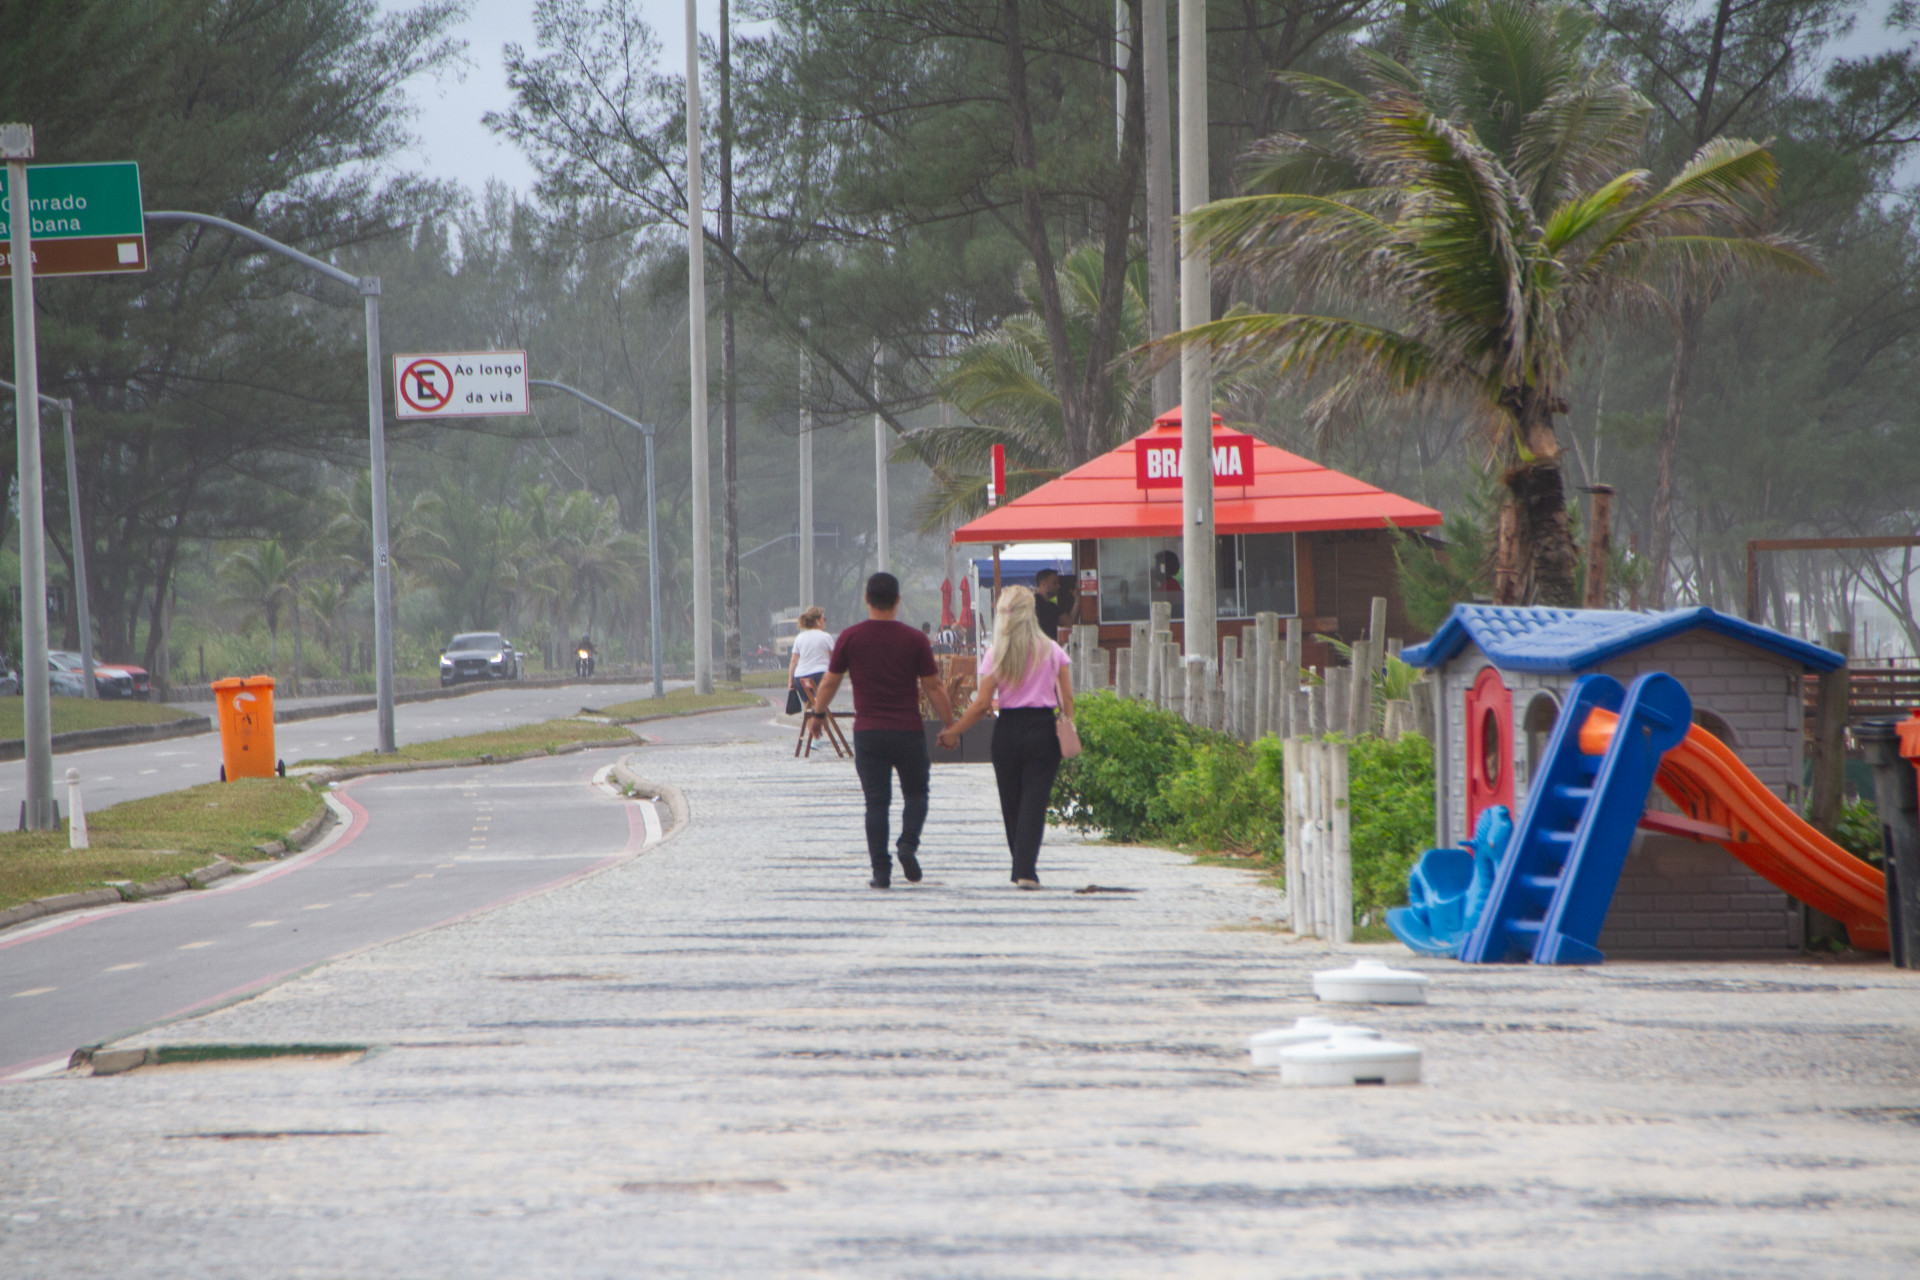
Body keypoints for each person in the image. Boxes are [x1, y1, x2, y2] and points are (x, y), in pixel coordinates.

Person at [809, 573, 957, 889]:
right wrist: (950, 724)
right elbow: (934, 685)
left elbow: (830, 681)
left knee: (876, 803)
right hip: (908, 731)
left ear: (867, 599)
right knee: (916, 794)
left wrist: (818, 714)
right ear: (898, 600)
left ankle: (881, 872)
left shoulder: (851, 637)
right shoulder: (914, 639)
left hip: (869, 734)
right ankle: (907, 845)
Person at [939, 585, 1073, 889]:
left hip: (1007, 731)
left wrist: (953, 731)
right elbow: (1067, 700)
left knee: (1011, 803)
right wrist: (1067, 724)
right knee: (1034, 803)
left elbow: (983, 703)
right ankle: (1025, 869)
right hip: (1042, 729)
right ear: (1032, 614)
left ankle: (1021, 866)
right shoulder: (1052, 649)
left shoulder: (995, 653)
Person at [788, 606, 833, 705]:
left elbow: (793, 661)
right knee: (820, 708)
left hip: (801, 677)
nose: (825, 621)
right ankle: (820, 719)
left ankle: (812, 720)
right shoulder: (826, 637)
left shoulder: (799, 638)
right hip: (820, 675)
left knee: (809, 709)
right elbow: (834, 659)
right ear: (817, 620)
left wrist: (791, 681)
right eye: (823, 619)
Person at [1033, 568, 1076, 641]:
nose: (1058, 586)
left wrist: (1077, 601)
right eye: (1054, 583)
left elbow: (1069, 622)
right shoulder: (1032, 604)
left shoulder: (1051, 606)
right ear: (1043, 584)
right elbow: (1070, 621)